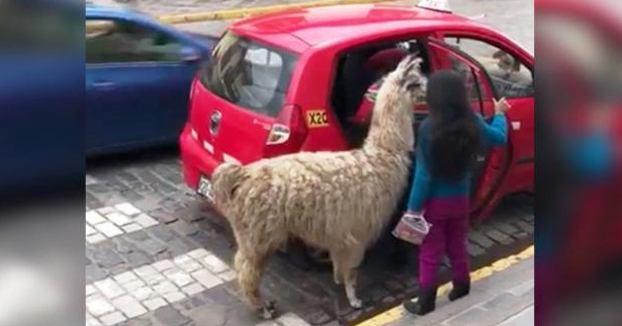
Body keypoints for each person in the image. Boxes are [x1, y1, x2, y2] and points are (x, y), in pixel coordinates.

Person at [403, 70, 511, 315]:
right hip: (461, 198)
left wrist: (413, 209)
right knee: (457, 244)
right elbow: (499, 138)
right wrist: (500, 115)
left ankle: (425, 300)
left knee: (430, 251)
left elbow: (424, 175)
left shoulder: (429, 128)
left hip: (434, 204)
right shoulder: (472, 120)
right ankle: (462, 285)